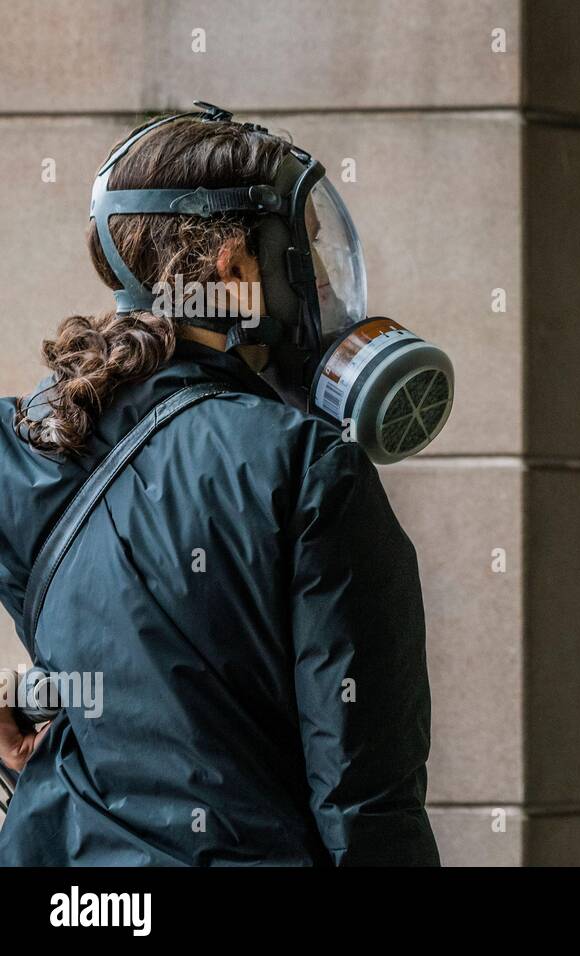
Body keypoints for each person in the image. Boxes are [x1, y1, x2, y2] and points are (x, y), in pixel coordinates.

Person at [0, 107, 441, 865]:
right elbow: (364, 798)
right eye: (301, 253)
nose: (320, 283)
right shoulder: (306, 464)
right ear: (237, 264)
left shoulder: (26, 439)